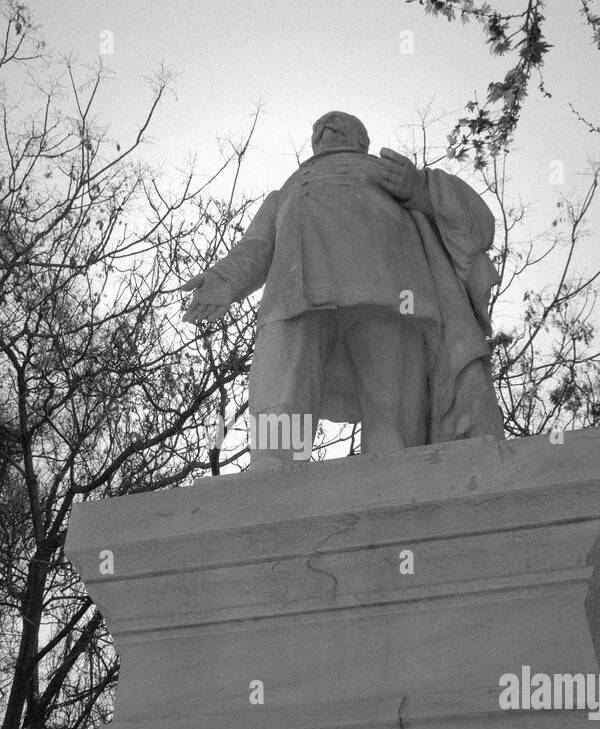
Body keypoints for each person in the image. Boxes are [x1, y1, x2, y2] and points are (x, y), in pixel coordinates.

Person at [180, 111, 504, 468]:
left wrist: (420, 188)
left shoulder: (389, 173)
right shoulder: (287, 189)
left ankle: (393, 476)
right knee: (280, 388)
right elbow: (255, 247)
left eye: (338, 123)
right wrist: (224, 280)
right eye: (319, 126)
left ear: (362, 138)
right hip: (294, 297)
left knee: (391, 412)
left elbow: (473, 223)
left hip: (390, 293)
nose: (325, 125)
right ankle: (272, 472)